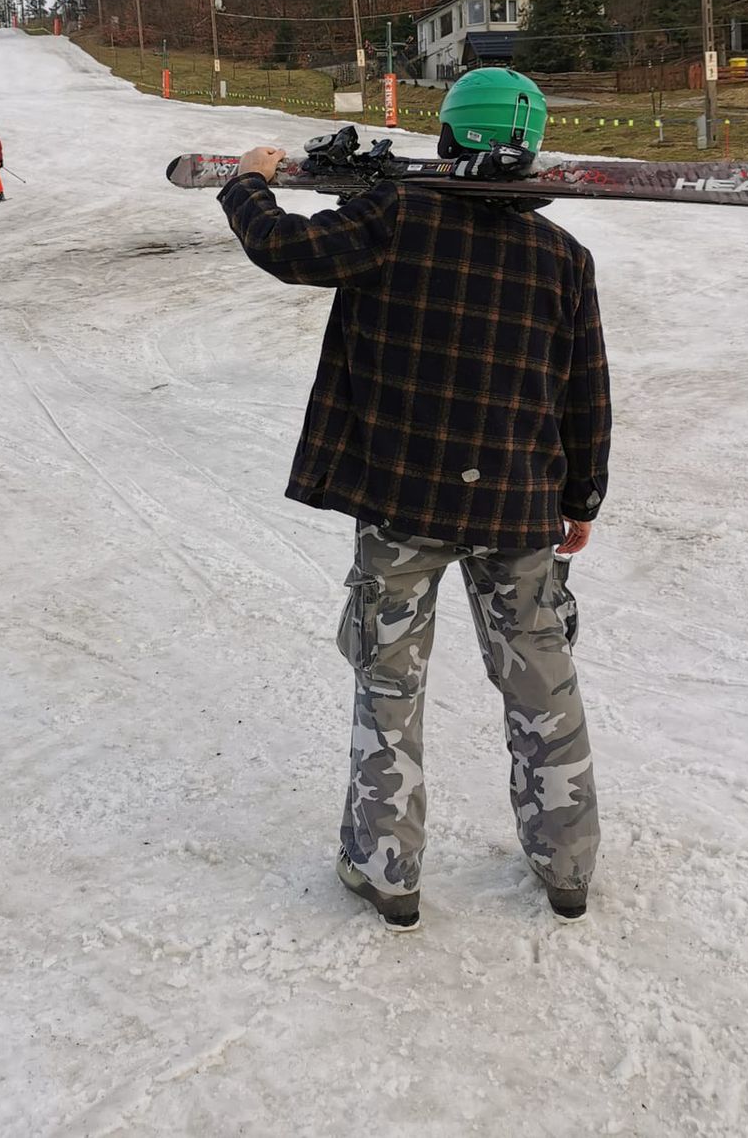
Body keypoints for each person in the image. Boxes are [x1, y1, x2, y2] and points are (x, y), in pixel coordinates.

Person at [217, 68, 611, 931]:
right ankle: (568, 862)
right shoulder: (562, 259)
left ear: (449, 136)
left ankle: (387, 869)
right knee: (541, 677)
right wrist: (582, 496)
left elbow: (286, 247)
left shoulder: (394, 219)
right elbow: (585, 392)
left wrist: (245, 180)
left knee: (390, 684)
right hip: (517, 510)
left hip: (404, 506)